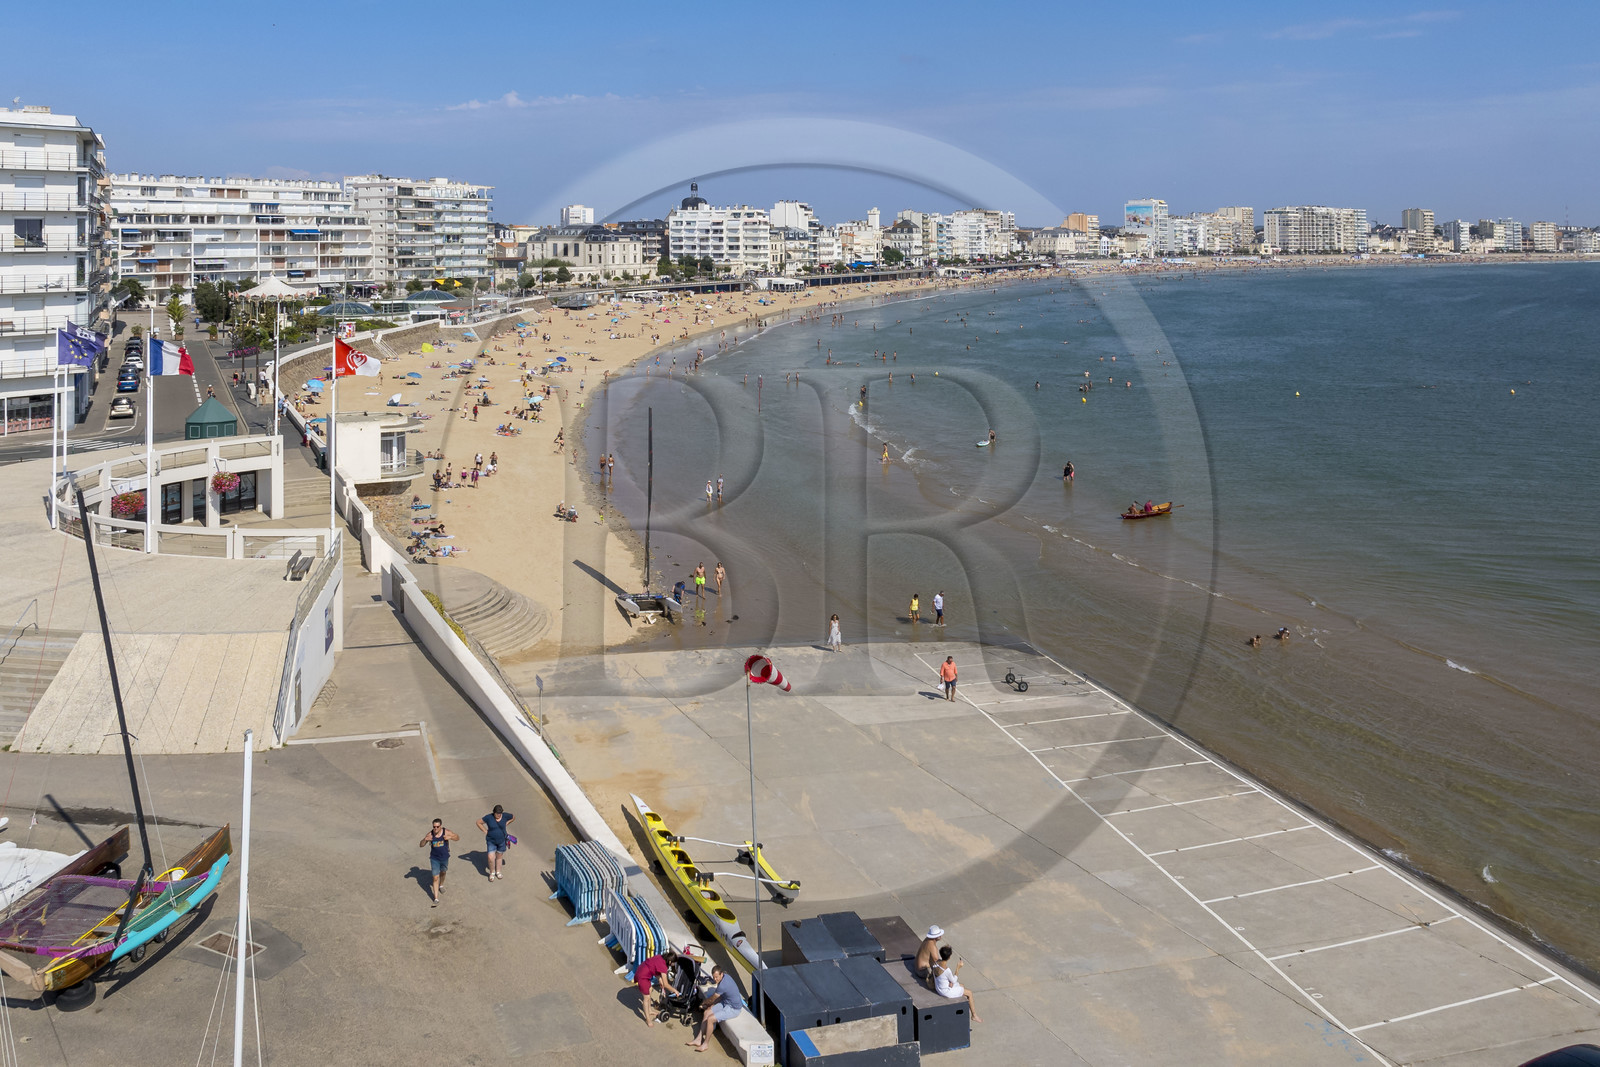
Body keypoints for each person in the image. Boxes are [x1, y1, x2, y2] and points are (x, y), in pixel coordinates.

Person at [687, 965, 745, 1051]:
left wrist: (704, 1003)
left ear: (721, 974)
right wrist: (710, 1005)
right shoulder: (725, 977)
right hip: (725, 1001)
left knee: (710, 1019)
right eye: (713, 977)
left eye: (716, 977)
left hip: (733, 1008)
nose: (715, 979)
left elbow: (713, 998)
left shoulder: (723, 985)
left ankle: (705, 1044)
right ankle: (698, 1039)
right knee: (707, 1012)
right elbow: (719, 997)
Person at [930, 946, 981, 1022]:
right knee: (969, 993)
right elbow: (953, 980)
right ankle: (974, 1015)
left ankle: (968, 1005)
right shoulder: (946, 970)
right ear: (949, 957)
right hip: (946, 991)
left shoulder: (936, 963)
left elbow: (942, 977)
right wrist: (958, 968)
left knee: (962, 986)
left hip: (939, 987)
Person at [418, 819, 459, 907]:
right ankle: (436, 899)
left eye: (437, 827)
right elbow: (421, 845)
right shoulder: (430, 834)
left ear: (441, 826)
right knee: (435, 877)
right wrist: (425, 839)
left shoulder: (446, 832)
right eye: (434, 827)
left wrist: (450, 837)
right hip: (434, 859)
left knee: (443, 872)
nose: (435, 828)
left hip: (444, 858)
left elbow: (457, 837)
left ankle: (441, 885)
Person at [635, 950, 680, 1027]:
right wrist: (674, 990)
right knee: (646, 997)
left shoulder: (660, 957)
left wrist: (660, 979)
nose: (673, 964)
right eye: (673, 963)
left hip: (642, 969)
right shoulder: (663, 966)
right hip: (642, 976)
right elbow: (666, 984)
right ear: (669, 961)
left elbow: (654, 967)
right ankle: (648, 1019)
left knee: (650, 989)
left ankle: (649, 1011)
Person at [477, 804, 514, 880]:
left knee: (499, 856)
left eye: (500, 813)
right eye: (497, 813)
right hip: (491, 841)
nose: (499, 815)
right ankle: (492, 872)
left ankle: (498, 872)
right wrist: (485, 831)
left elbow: (513, 817)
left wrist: (507, 823)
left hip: (502, 841)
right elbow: (478, 822)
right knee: (490, 857)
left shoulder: (505, 816)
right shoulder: (489, 817)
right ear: (494, 812)